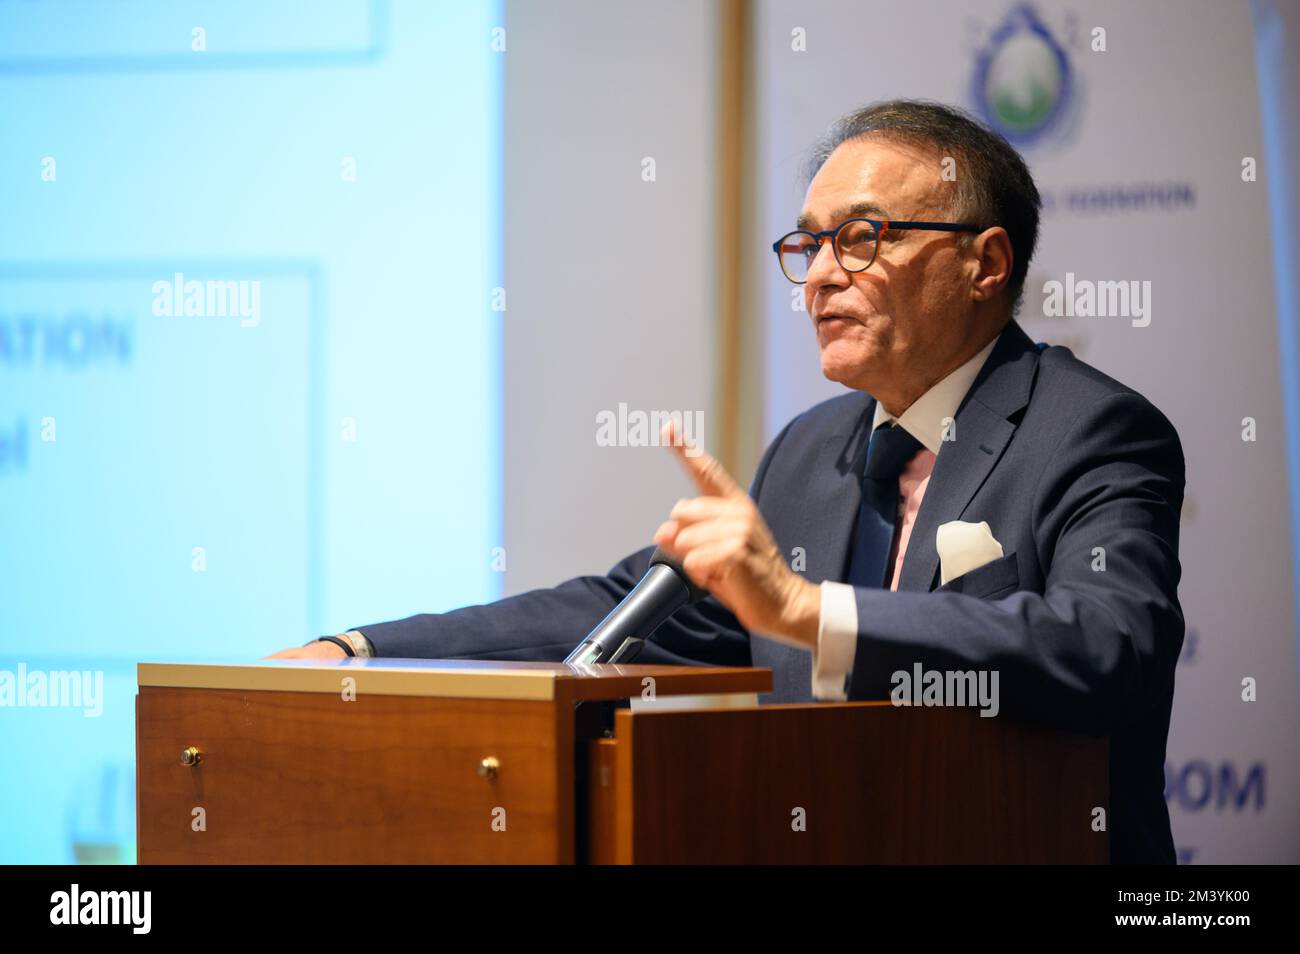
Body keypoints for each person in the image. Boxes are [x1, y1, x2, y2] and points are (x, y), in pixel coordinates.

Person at [269, 100, 1185, 864]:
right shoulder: (811, 451)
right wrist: (361, 650)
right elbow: (628, 608)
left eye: (861, 238)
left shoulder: (1092, 430)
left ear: (985, 263)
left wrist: (804, 610)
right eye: (809, 245)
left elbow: (1109, 650)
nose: (819, 278)